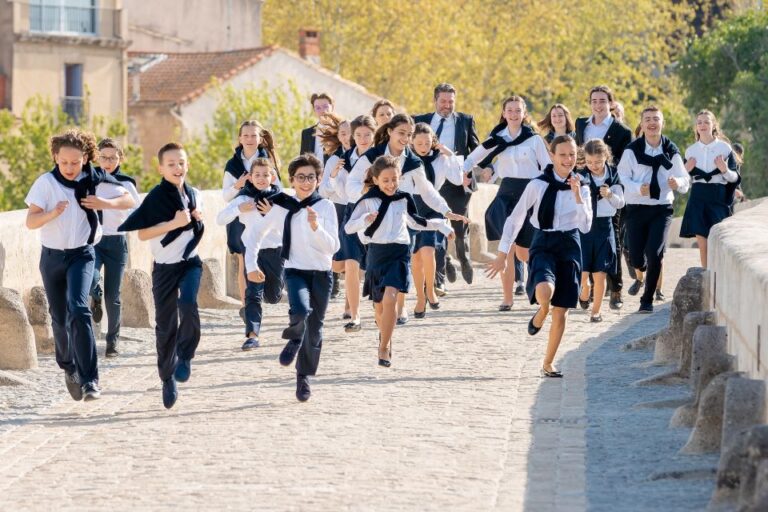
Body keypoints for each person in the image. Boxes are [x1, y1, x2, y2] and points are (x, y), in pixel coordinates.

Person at [25, 129, 135, 401]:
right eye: (64, 162)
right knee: (60, 319)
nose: (70, 168)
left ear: (85, 158)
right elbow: (31, 221)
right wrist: (52, 213)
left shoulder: (95, 178)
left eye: (75, 162)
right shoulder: (46, 183)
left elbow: (129, 199)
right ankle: (68, 366)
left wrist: (104, 202)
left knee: (79, 309)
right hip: (52, 258)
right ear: (55, 158)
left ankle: (90, 381)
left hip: (83, 255)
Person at [486, 135, 592, 377]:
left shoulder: (583, 186)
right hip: (543, 241)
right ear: (552, 156)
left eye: (572, 155)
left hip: (570, 244)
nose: (568, 159)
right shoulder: (538, 184)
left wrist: (577, 196)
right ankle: (542, 310)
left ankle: (548, 363)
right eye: (562, 154)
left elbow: (586, 226)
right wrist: (503, 254)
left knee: (563, 310)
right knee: (545, 291)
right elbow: (515, 219)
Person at [346, 113, 466, 325]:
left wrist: (446, 211)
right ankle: (380, 310)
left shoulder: (412, 160)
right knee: (377, 272)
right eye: (401, 133)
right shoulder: (371, 156)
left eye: (409, 135)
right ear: (390, 131)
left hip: (402, 217)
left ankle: (400, 309)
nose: (405, 138)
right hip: (374, 219)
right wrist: (369, 190)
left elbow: (427, 190)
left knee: (402, 263)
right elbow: (351, 185)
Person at [345, 155, 456, 367]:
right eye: (385, 180)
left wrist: (442, 226)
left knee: (391, 298)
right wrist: (364, 220)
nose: (391, 184)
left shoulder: (404, 198)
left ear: (400, 178)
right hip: (377, 254)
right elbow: (349, 228)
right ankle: (384, 333)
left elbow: (416, 222)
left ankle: (384, 347)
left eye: (394, 179)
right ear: (376, 179)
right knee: (379, 308)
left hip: (400, 252)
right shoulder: (368, 200)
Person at [246, 154, 339, 402]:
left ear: (318, 180)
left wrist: (315, 226)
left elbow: (333, 247)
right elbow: (256, 234)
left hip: (321, 273)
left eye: (311, 177)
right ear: (291, 180)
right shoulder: (282, 206)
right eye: (301, 177)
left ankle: (303, 377)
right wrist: (251, 264)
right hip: (295, 270)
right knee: (300, 310)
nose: (306, 182)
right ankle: (295, 336)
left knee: (316, 329)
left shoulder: (326, 207)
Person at [118, 142, 205, 409]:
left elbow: (195, 226)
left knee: (189, 304)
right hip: (164, 269)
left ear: (187, 165)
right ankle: (167, 378)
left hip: (190, 263)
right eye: (171, 164)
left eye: (181, 163)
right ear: (161, 168)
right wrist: (174, 223)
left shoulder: (194, 193)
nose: (177, 168)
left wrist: (196, 218)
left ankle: (186, 354)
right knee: (166, 325)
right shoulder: (155, 198)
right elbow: (142, 234)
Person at [464, 95, 551, 311]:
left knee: (524, 252)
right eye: (509, 110)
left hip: (530, 194)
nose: (513, 114)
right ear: (503, 113)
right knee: (507, 248)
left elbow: (548, 168)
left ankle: (540, 288)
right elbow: (471, 158)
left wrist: (546, 192)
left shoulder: (534, 139)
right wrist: (465, 173)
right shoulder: (496, 138)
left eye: (517, 111)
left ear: (524, 114)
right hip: (505, 195)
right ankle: (507, 298)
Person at [618, 106, 689, 313]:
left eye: (656, 119)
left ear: (662, 123)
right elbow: (622, 176)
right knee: (637, 257)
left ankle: (647, 300)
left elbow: (685, 179)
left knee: (655, 253)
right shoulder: (632, 150)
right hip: (636, 208)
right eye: (647, 119)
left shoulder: (670, 150)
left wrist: (678, 183)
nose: (652, 122)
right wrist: (636, 188)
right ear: (642, 124)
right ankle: (642, 269)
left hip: (661, 208)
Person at [414, 83, 480, 287]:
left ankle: (463, 256)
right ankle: (442, 270)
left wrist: (466, 171)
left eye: (451, 101)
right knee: (436, 226)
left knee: (458, 227)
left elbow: (475, 149)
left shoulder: (465, 121)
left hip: (459, 181)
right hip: (431, 181)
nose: (447, 105)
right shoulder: (421, 121)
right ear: (435, 100)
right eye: (443, 101)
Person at [575, 86, 633, 310]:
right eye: (594, 100)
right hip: (585, 185)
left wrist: (611, 186)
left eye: (602, 100)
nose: (598, 105)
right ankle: (586, 288)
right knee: (584, 241)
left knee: (613, 243)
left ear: (610, 103)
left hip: (609, 187)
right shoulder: (582, 124)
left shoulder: (622, 131)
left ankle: (616, 289)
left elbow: (624, 161)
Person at [217, 158, 283, 350]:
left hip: (275, 251)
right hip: (251, 251)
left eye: (265, 174)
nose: (261, 178)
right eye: (257, 175)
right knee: (253, 294)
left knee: (272, 296)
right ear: (251, 178)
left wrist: (273, 213)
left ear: (272, 176)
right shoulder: (243, 198)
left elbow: (291, 224)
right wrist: (238, 209)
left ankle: (252, 313)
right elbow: (220, 219)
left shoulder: (281, 198)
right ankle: (252, 336)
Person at [319, 114, 377, 332]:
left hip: (377, 212)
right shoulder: (341, 161)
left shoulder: (380, 158)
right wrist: (334, 177)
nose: (362, 139)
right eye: (358, 134)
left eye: (367, 134)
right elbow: (333, 191)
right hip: (350, 212)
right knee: (348, 264)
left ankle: (374, 309)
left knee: (363, 266)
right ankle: (355, 316)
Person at [89, 138, 141, 358]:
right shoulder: (90, 179)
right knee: (90, 279)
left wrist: (107, 204)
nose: (107, 162)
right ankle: (96, 295)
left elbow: (134, 206)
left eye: (112, 157)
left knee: (114, 295)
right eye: (103, 157)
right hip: (93, 241)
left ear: (120, 158)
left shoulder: (125, 183)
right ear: (97, 158)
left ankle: (113, 341)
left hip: (117, 242)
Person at [222, 120, 280, 315]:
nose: (249, 139)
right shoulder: (232, 164)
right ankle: (247, 306)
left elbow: (278, 188)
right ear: (240, 138)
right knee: (243, 259)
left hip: (264, 215)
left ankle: (262, 294)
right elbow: (225, 196)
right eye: (245, 135)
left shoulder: (267, 161)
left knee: (264, 259)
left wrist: (271, 206)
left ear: (260, 138)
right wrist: (237, 186)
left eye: (253, 135)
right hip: (240, 214)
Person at [410, 122, 464, 317]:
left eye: (427, 143)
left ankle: (431, 289)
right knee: (416, 257)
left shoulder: (440, 159)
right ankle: (419, 297)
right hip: (413, 205)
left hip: (434, 205)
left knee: (428, 251)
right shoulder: (407, 160)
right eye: (419, 143)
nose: (424, 147)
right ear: (412, 142)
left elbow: (458, 180)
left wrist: (450, 155)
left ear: (433, 141)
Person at [679, 110, 741, 268]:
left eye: (706, 122)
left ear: (714, 125)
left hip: (717, 196)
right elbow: (683, 183)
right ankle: (706, 275)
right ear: (696, 127)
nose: (702, 125)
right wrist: (685, 170)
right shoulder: (690, 151)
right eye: (699, 122)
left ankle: (719, 273)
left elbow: (735, 178)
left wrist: (725, 170)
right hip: (698, 196)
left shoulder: (724, 148)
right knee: (702, 243)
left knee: (718, 239)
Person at [577, 139, 625, 322]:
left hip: (605, 227)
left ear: (606, 157)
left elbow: (621, 202)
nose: (593, 166)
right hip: (585, 226)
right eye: (589, 162)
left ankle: (596, 312)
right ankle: (584, 288)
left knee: (600, 272)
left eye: (597, 162)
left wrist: (610, 195)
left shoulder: (613, 176)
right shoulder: (581, 177)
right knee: (583, 271)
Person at [316, 112, 351, 301]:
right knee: (338, 251)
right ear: (338, 136)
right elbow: (323, 191)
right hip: (339, 207)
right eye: (343, 133)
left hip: (360, 206)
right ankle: (334, 279)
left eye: (350, 132)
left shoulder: (366, 155)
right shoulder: (332, 160)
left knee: (353, 253)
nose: (347, 136)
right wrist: (333, 175)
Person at [300, 92, 335, 161]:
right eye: (318, 108)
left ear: (332, 107)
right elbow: (302, 160)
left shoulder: (340, 131)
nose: (323, 111)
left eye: (325, 106)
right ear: (314, 110)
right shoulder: (307, 133)